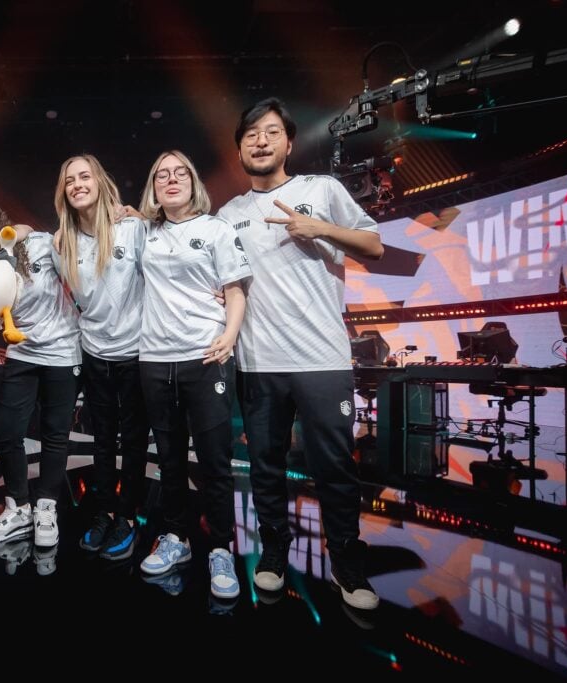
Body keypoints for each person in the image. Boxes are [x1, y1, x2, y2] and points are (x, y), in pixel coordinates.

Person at [216, 97, 384, 610]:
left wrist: (322, 229)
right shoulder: (229, 214)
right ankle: (272, 553)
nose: (260, 141)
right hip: (259, 362)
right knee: (265, 465)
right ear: (240, 149)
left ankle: (347, 564)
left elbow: (374, 246)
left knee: (334, 466)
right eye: (250, 135)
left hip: (322, 359)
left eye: (270, 132)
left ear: (288, 142)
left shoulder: (322, 190)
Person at [135, 150, 250, 601]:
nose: (171, 179)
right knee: (169, 459)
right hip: (155, 360)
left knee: (215, 461)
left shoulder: (216, 229)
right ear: (154, 187)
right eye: (161, 174)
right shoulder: (144, 233)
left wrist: (230, 335)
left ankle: (221, 546)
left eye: (180, 172)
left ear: (193, 181)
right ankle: (176, 539)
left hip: (206, 356)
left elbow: (236, 291)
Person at [0, 192, 82, 556]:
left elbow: (71, 272)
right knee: (7, 429)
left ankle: (46, 506)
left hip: (64, 350)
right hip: (22, 352)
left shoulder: (33, 242)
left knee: (55, 433)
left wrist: (17, 232)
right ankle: (18, 506)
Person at [53, 154, 148, 560]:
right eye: (69, 179)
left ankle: (128, 516)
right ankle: (104, 511)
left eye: (84, 176)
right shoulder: (62, 243)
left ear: (99, 181)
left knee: (136, 441)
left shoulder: (132, 227)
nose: (77, 184)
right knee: (103, 440)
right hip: (94, 353)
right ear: (64, 192)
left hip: (139, 353)